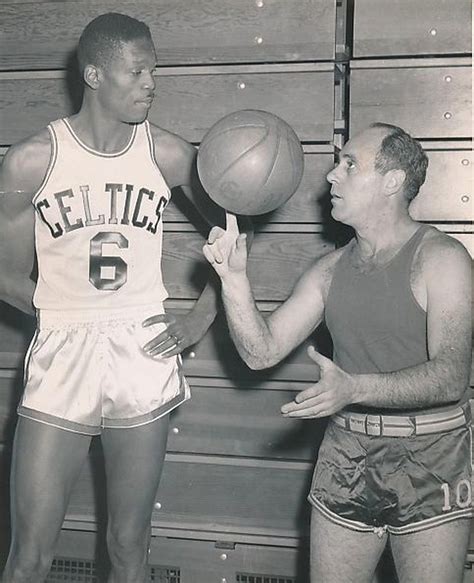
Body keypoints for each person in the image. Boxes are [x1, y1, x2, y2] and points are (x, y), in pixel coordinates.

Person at [0, 12, 224, 583]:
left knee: (129, 542)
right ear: (95, 74)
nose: (152, 82)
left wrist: (204, 313)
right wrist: (63, 313)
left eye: (155, 69)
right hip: (63, 347)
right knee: (29, 554)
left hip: (141, 347)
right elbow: (3, 273)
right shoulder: (32, 161)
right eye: (138, 71)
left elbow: (231, 243)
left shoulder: (169, 154)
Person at [203, 122, 473, 583]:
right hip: (346, 452)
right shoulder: (328, 270)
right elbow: (260, 352)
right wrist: (233, 281)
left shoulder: (443, 259)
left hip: (432, 453)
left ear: (392, 182)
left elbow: (450, 377)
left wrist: (354, 387)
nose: (331, 175)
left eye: (350, 164)